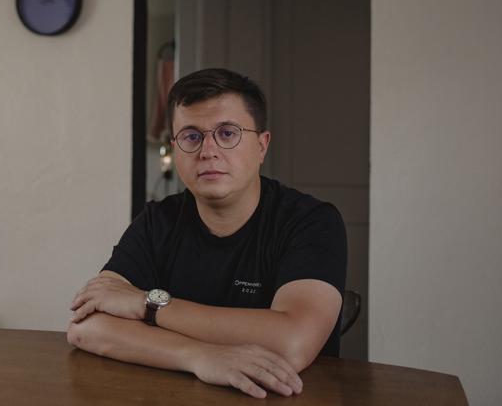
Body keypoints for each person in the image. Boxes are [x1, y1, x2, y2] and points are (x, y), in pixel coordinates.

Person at [67, 68, 347, 399]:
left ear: (261, 145)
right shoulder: (159, 220)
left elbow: (292, 342)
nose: (208, 150)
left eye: (227, 133)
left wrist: (148, 305)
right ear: (175, 146)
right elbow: (87, 327)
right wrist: (200, 357)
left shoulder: (311, 221)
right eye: (191, 136)